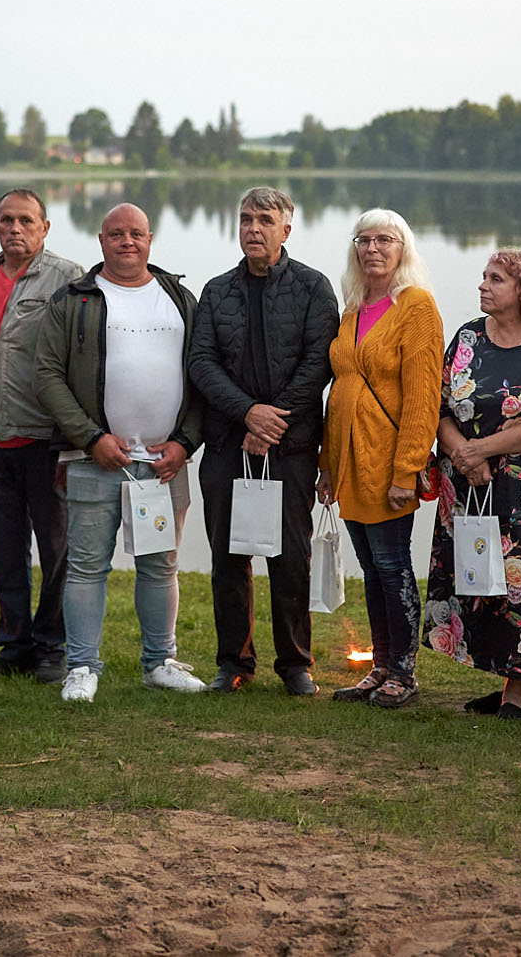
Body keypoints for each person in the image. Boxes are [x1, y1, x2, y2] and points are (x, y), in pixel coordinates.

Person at [34, 202, 206, 704]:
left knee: (161, 566)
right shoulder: (75, 300)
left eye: (135, 233)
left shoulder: (179, 297)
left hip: (163, 465)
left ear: (150, 239)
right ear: (101, 240)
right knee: (87, 566)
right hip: (95, 461)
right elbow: (46, 375)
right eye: (115, 234)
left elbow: (202, 375)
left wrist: (184, 443)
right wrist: (90, 438)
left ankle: (160, 662)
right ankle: (83, 665)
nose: (126, 242)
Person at [187, 186, 339, 696]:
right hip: (228, 443)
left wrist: (273, 423)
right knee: (228, 559)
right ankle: (233, 662)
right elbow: (201, 363)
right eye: (246, 219)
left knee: (290, 558)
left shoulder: (314, 289)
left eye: (265, 220)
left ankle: (295, 663)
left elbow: (318, 363)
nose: (253, 228)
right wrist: (247, 414)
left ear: (286, 230)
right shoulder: (216, 291)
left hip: (291, 447)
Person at [424, 251, 521, 720]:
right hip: (466, 481)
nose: (483, 286)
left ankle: (516, 688)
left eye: (496, 279)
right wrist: (460, 454)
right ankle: (508, 679)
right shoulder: (468, 335)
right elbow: (441, 406)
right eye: (484, 277)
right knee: (479, 578)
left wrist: (481, 450)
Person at [0, 189, 84, 684]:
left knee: (56, 552)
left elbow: (79, 365)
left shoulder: (67, 279)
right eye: (6, 219)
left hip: (45, 441)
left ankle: (52, 648)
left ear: (45, 227)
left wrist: (72, 446)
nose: (15, 229)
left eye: (26, 221)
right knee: (6, 552)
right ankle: (13, 647)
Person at [317, 209, 442, 710]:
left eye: (384, 240)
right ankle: (381, 665)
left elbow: (423, 396)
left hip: (388, 462)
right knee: (371, 569)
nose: (372, 249)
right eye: (363, 240)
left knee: (393, 567)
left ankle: (404, 673)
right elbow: (340, 391)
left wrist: (407, 469)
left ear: (403, 248)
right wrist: (327, 466)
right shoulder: (354, 305)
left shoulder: (417, 307)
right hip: (349, 463)